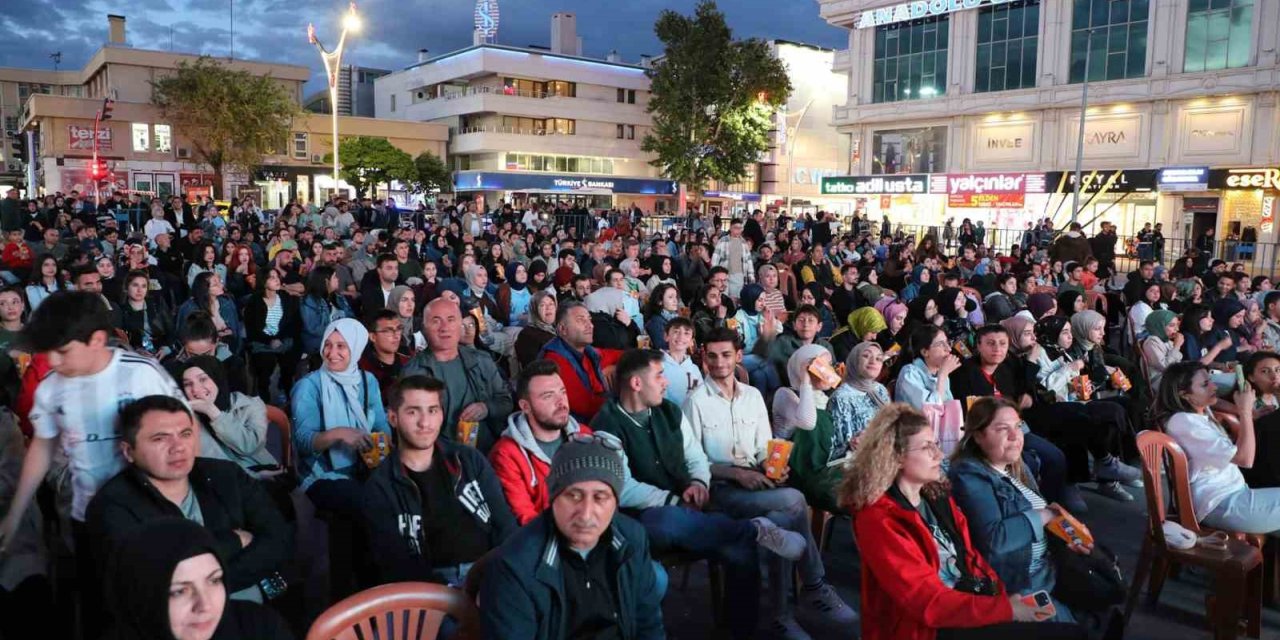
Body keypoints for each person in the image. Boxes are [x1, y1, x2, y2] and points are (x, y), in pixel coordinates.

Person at [0, 292, 189, 630]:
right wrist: (15, 514)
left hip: (147, 512)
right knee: (101, 607)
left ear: (97, 340)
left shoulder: (140, 375)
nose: (54, 362)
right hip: (87, 516)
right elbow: (42, 447)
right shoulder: (51, 389)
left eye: (63, 351)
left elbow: (185, 432)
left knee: (152, 604)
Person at [591, 348, 807, 640]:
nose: (666, 382)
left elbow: (695, 457)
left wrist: (698, 483)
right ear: (636, 383)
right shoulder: (606, 424)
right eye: (659, 375)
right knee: (666, 520)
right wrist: (675, 500)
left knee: (740, 551)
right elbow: (622, 488)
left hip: (691, 507)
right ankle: (752, 529)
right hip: (641, 518)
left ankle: (740, 630)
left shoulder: (668, 411)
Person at [840, 404, 1083, 640]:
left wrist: (999, 594)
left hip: (968, 601)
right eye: (927, 447)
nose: (939, 454)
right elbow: (926, 602)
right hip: (928, 627)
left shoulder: (936, 495)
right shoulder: (878, 518)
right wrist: (1006, 610)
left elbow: (969, 556)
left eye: (936, 444)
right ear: (896, 457)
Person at [685, 328, 857, 636]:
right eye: (711, 356)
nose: (719, 363)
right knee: (793, 501)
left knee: (783, 520)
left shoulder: (752, 397)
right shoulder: (695, 401)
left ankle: (782, 616)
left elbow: (766, 448)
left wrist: (770, 466)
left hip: (757, 485)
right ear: (704, 358)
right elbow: (693, 462)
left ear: (739, 357)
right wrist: (738, 473)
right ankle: (815, 585)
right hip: (721, 488)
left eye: (726, 355)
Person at [85, 396, 290, 604]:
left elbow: (277, 538)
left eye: (185, 434)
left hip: (251, 612)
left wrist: (196, 578)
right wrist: (234, 541)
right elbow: (148, 581)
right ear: (129, 452)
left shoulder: (225, 475)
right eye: (160, 438)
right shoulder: (112, 505)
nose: (178, 447)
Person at [480, 436, 665, 640]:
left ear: (615, 503)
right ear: (553, 498)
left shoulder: (632, 538)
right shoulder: (514, 566)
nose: (586, 514)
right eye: (573, 496)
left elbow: (648, 626)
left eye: (600, 497)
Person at [362, 375, 516, 586]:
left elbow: (505, 524)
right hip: (430, 589)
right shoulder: (382, 486)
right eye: (413, 411)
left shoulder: (468, 460)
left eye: (433, 410)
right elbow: (395, 565)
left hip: (490, 572)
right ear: (392, 418)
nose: (425, 422)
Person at [948, 397, 1086, 624]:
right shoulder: (969, 474)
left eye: (1018, 426)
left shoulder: (1014, 467)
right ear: (978, 436)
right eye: (1003, 429)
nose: (1015, 436)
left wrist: (1069, 537)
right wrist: (1044, 515)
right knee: (1077, 628)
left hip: (1049, 567)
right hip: (1022, 582)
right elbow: (995, 540)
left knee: (1104, 593)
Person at [101, 517, 294, 640]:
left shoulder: (258, 626)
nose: (205, 605)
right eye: (179, 591)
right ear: (140, 596)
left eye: (214, 580)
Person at [1158, 361, 1280, 534]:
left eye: (1211, 380)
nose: (1214, 386)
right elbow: (1246, 459)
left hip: (1233, 494)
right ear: (1185, 394)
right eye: (1205, 384)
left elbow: (1216, 403)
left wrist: (1249, 412)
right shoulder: (1185, 422)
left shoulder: (1197, 411)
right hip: (1219, 504)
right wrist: (1244, 411)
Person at [290, 318, 391, 516]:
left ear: (356, 347)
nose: (331, 353)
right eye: (327, 344)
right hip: (321, 474)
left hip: (366, 466)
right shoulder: (310, 386)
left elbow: (381, 427)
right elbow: (303, 441)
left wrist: (382, 447)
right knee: (363, 504)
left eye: (341, 346)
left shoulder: (367, 380)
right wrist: (339, 434)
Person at [489, 360, 596, 525]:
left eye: (562, 392)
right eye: (548, 396)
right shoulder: (506, 455)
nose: (561, 402)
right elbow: (525, 519)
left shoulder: (583, 434)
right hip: (548, 539)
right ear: (525, 406)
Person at [402, 298, 513, 453]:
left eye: (451, 320)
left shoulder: (482, 361)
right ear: (424, 328)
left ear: (459, 324)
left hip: (486, 453)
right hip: (437, 456)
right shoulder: (412, 372)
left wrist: (486, 408)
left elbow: (506, 401)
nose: (444, 328)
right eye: (436, 321)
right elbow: (407, 424)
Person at [174, 357, 279, 476]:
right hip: (229, 482)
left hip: (265, 471)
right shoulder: (187, 420)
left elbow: (251, 446)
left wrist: (213, 412)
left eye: (203, 379)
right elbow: (210, 465)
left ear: (217, 378)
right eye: (188, 384)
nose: (196, 389)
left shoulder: (250, 404)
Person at [540, 301, 614, 423]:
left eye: (589, 320)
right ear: (563, 329)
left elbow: (613, 355)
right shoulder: (555, 360)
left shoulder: (587, 351)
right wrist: (625, 400)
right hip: (578, 427)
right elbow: (585, 405)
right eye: (581, 320)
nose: (590, 325)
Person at [244, 268, 300, 403]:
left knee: (290, 361)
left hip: (282, 340)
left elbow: (292, 323)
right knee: (265, 363)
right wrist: (269, 340)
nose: (277, 280)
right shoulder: (255, 301)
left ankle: (289, 397)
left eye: (277, 277)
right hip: (261, 341)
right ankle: (265, 401)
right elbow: (252, 328)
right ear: (264, 282)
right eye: (272, 277)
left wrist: (279, 339)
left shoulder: (285, 298)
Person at [113, 269, 175, 360]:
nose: (139, 290)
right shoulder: (120, 310)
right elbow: (119, 341)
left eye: (143, 286)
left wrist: (167, 348)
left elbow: (171, 329)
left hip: (162, 351)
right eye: (135, 285)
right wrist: (134, 351)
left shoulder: (157, 303)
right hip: (136, 356)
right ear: (126, 287)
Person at [660, 316, 703, 407]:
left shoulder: (694, 369)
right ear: (666, 336)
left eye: (686, 333)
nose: (681, 337)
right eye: (676, 331)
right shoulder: (658, 365)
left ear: (692, 341)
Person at [513, 289, 558, 365]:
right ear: (534, 310)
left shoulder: (557, 329)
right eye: (542, 305)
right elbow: (534, 368)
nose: (548, 308)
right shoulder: (527, 335)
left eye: (551, 304)